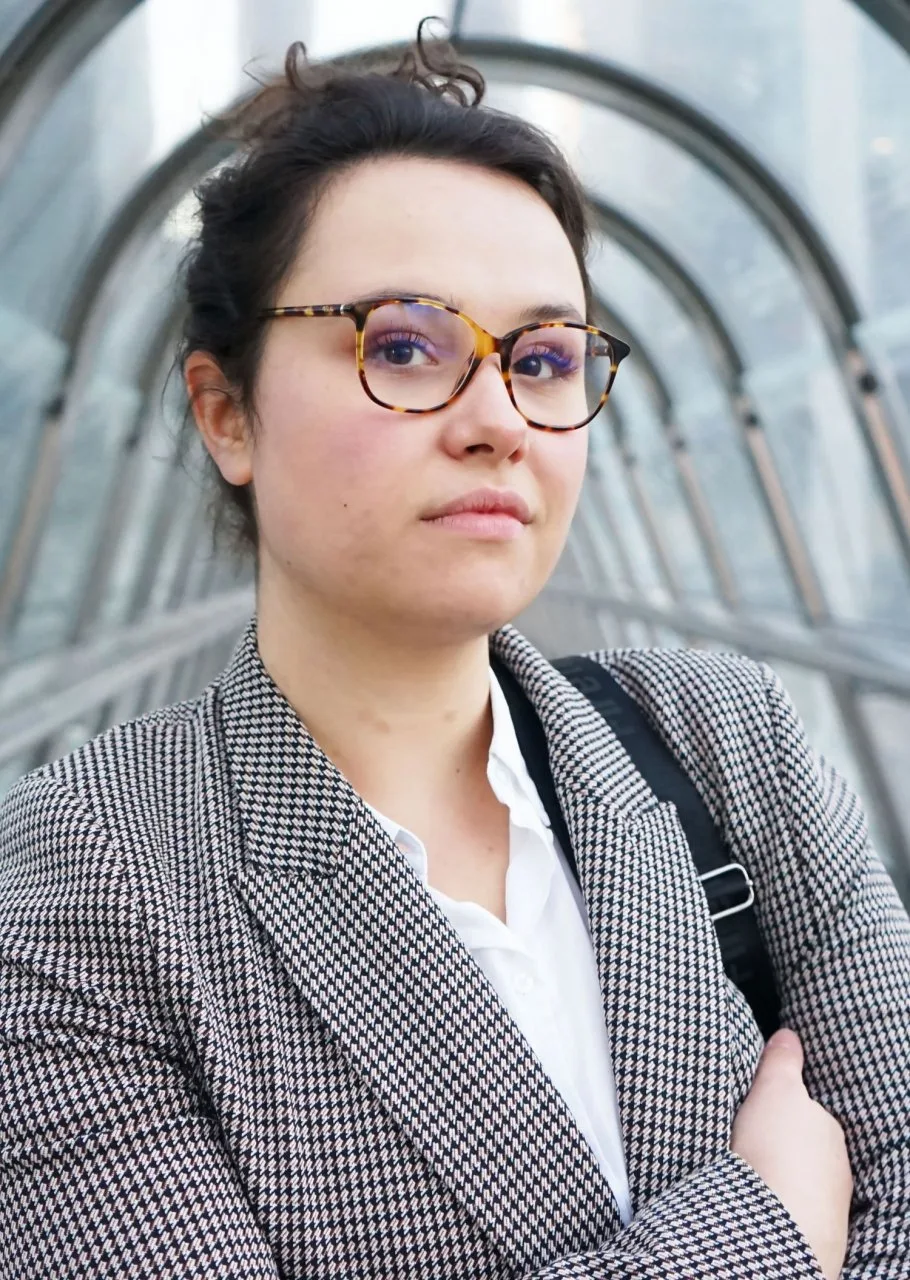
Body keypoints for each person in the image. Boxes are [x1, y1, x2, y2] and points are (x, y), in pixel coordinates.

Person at [0, 24, 908, 1280]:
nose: (497, 422)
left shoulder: (727, 740)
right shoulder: (76, 884)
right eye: (403, 345)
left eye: (544, 359)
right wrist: (766, 1231)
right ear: (226, 412)